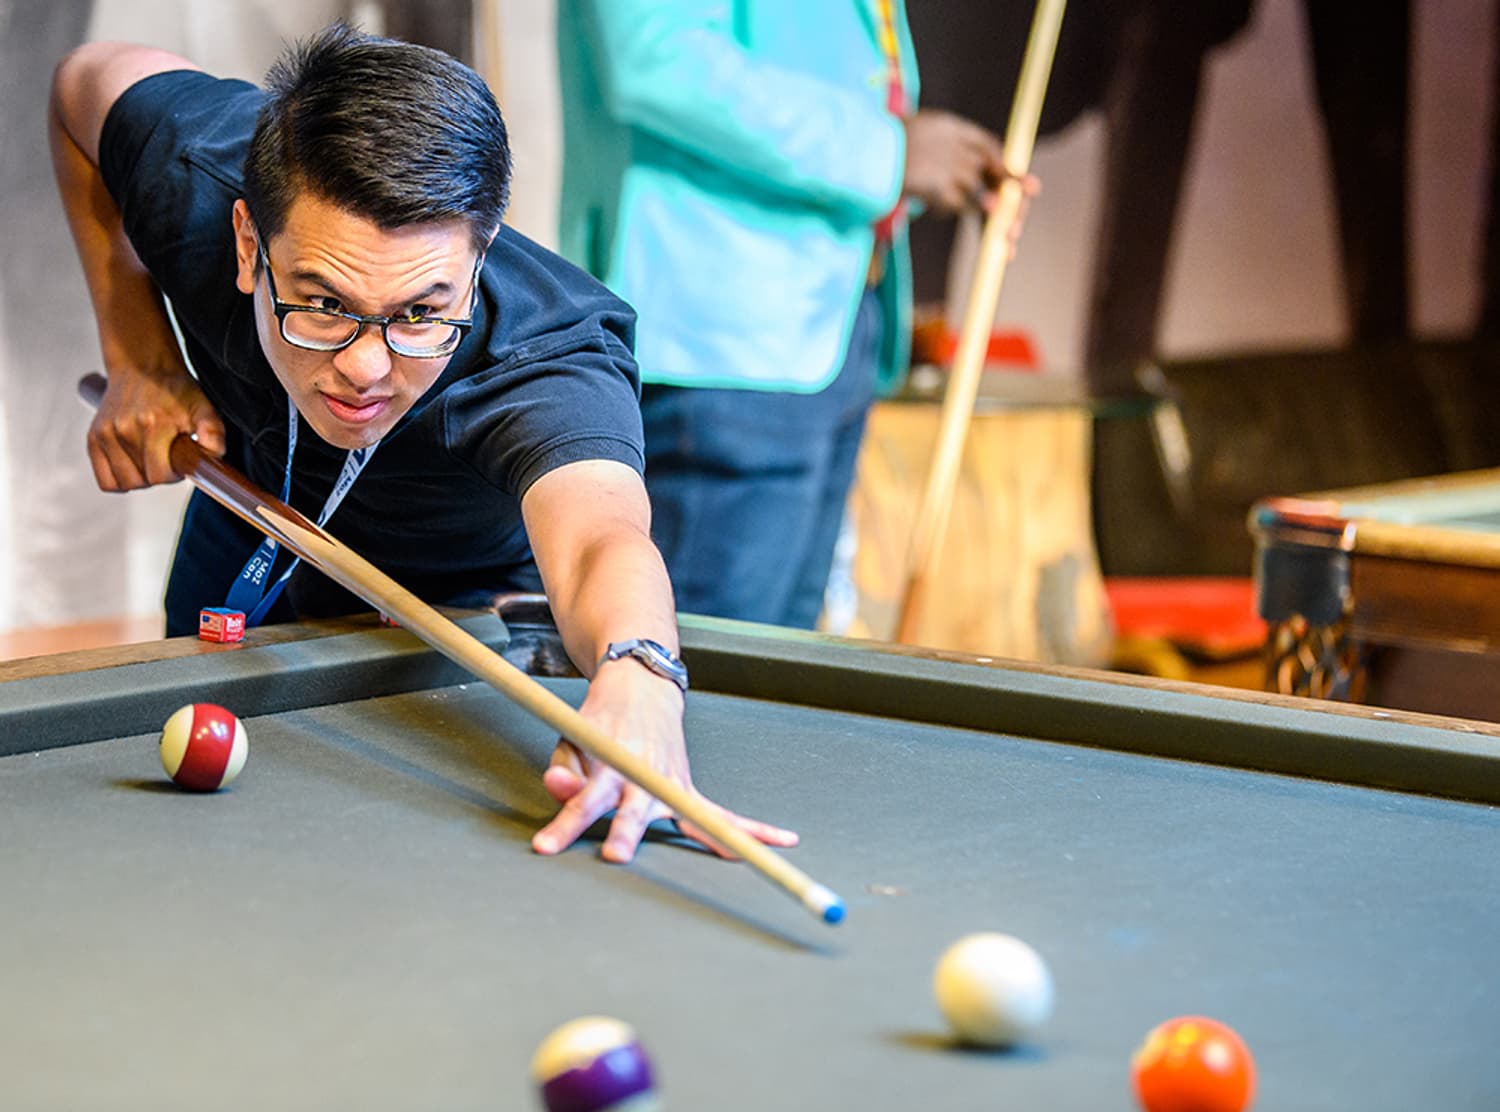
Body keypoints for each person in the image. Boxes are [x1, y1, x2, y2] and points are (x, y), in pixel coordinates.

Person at [48, 22, 796, 864]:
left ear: (477, 263)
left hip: (453, 612)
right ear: (250, 242)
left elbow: (599, 540)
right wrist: (137, 354)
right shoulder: (195, 166)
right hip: (255, 518)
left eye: (420, 313)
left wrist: (640, 675)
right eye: (322, 303)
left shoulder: (543, 356)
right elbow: (84, 82)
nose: (364, 368)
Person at [556, 0, 1009, 629]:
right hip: (723, 340)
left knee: (773, 674)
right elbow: (657, 55)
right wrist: (887, 152)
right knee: (700, 686)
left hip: (834, 317)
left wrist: (921, 170)